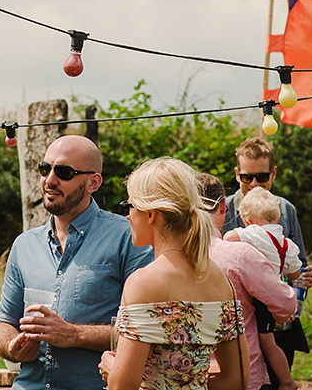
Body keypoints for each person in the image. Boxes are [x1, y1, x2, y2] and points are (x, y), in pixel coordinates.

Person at [0, 135, 153, 390]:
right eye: (45, 168)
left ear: (93, 182)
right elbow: (2, 322)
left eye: (64, 172)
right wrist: (12, 346)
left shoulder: (129, 238)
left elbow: (146, 330)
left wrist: (73, 334)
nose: (50, 180)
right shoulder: (24, 245)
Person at [98, 158, 246, 390]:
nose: (127, 215)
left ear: (151, 214)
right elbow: (237, 380)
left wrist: (110, 369)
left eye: (129, 206)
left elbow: (122, 386)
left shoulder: (143, 283)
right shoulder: (220, 281)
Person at [196, 172, 298, 390]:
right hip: (243, 373)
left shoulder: (165, 258)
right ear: (223, 206)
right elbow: (286, 303)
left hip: (188, 375)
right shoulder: (239, 255)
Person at [221, 136, 312, 374]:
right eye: (246, 177)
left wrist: (302, 280)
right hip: (237, 317)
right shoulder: (224, 209)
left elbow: (299, 264)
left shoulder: (285, 209)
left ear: (273, 173)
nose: (254, 184)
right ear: (236, 174)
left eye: (261, 177)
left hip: (276, 314)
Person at [223, 188, 301, 284]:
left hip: (253, 289)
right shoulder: (287, 245)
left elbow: (228, 237)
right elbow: (294, 275)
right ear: (278, 219)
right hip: (274, 291)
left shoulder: (254, 232)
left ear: (249, 222)